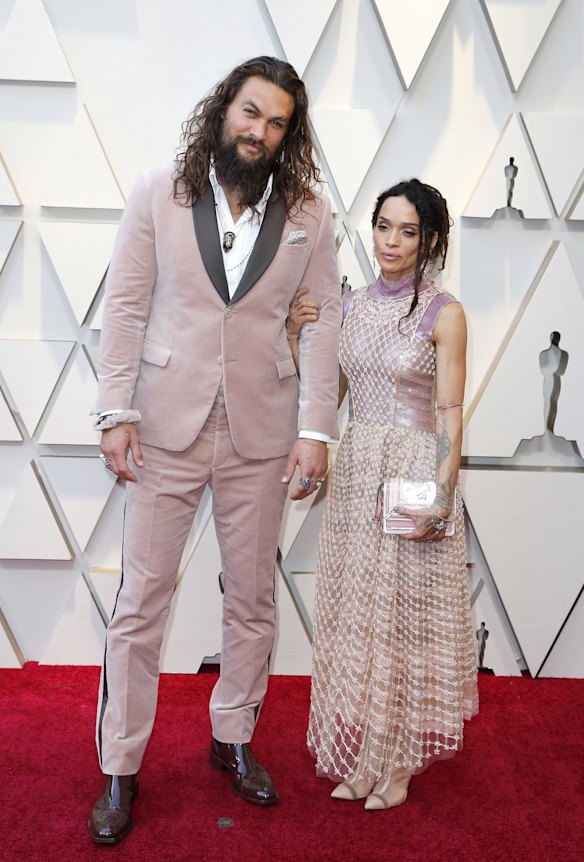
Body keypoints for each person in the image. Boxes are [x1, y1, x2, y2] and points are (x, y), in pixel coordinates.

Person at [88, 55, 341, 844]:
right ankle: (120, 765)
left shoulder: (310, 213)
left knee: (253, 601)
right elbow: (126, 306)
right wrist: (115, 411)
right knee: (140, 605)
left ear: (288, 134)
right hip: (163, 426)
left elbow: (324, 319)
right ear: (223, 108)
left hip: (261, 434)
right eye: (250, 112)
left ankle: (232, 738)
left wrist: (314, 430)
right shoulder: (159, 190)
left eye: (276, 122)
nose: (259, 131)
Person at [306, 179, 478, 810]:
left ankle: (399, 764)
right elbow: (333, 391)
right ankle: (364, 756)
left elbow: (451, 412)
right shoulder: (350, 305)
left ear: (430, 241)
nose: (393, 242)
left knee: (402, 620)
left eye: (409, 231)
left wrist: (438, 491)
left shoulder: (445, 312)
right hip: (358, 469)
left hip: (412, 467)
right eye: (384, 226)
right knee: (362, 618)